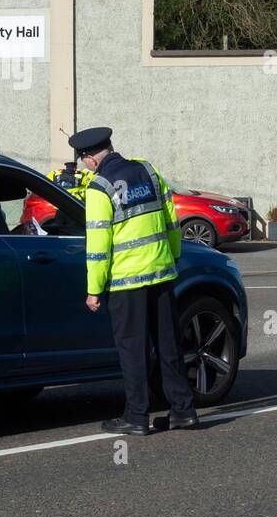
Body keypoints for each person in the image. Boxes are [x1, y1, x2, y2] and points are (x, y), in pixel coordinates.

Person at [69, 126, 199, 435]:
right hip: (162, 274)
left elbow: (98, 244)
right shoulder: (147, 170)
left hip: (127, 283)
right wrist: (174, 256)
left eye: (84, 160)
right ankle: (183, 411)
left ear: (89, 158)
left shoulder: (100, 187)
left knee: (133, 349)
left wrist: (93, 289)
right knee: (169, 345)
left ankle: (137, 416)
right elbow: (171, 220)